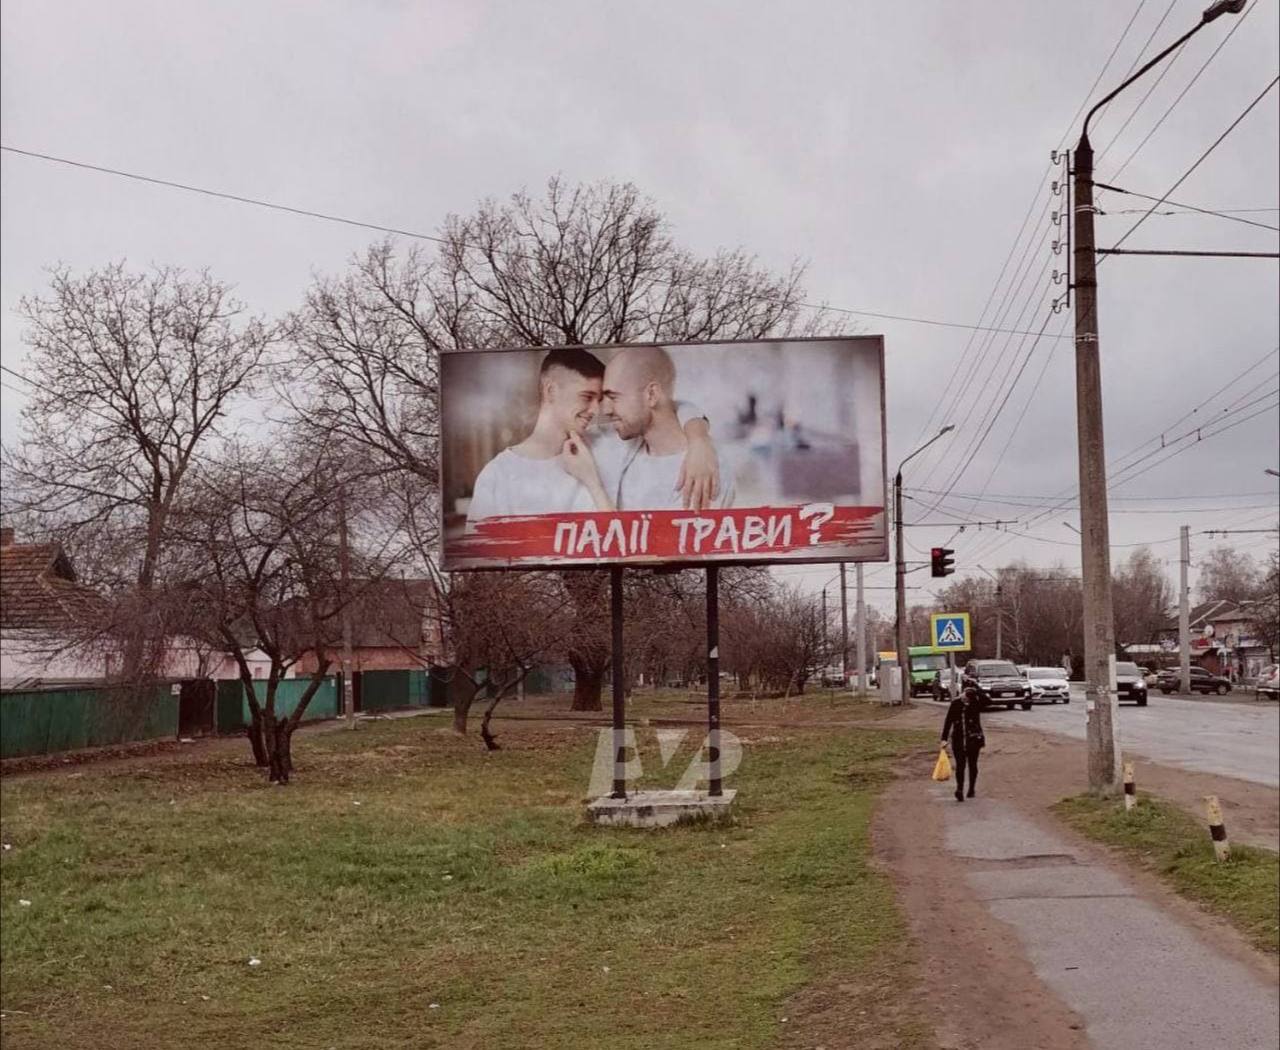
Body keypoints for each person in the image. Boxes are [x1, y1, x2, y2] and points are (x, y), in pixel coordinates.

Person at [465, 348, 718, 528]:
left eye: (600, 399)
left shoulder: (609, 442)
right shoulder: (498, 476)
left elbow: (666, 407)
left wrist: (699, 439)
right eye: (586, 397)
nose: (597, 411)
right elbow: (481, 570)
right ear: (551, 390)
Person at [573, 345, 734, 510]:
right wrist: (698, 436)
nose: (606, 410)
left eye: (614, 397)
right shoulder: (626, 441)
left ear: (651, 395)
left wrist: (593, 484)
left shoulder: (703, 471)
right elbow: (680, 406)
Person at [941, 686, 985, 801]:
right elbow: (948, 720)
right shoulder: (956, 703)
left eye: (969, 699)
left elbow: (987, 700)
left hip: (974, 739)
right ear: (963, 694)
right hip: (958, 739)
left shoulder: (975, 703)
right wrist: (944, 738)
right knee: (960, 765)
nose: (966, 701)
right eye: (966, 697)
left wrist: (977, 687)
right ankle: (959, 789)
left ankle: (971, 788)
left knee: (972, 764)